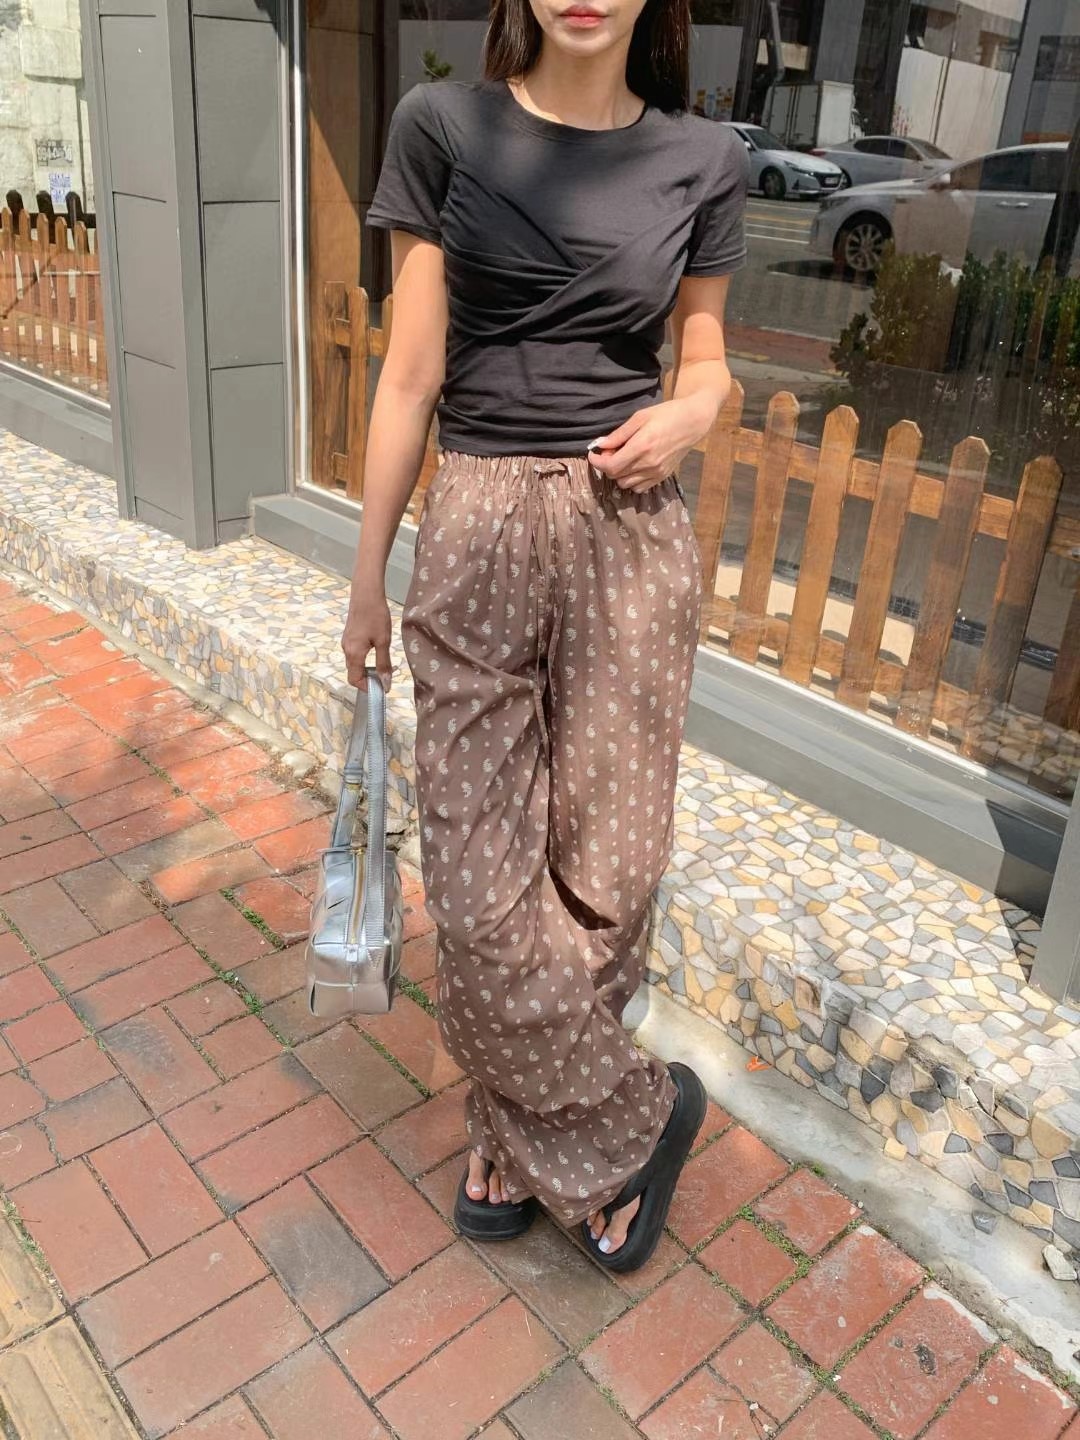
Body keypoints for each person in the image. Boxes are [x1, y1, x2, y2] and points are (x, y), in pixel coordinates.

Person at [342, 0, 748, 1271]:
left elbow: (709, 362)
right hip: (476, 521)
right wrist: (367, 579)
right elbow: (410, 375)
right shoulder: (441, 127)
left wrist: (693, 415)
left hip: (628, 531)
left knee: (606, 873)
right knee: (476, 893)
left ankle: (511, 1140)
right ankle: (639, 1118)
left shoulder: (704, 157)